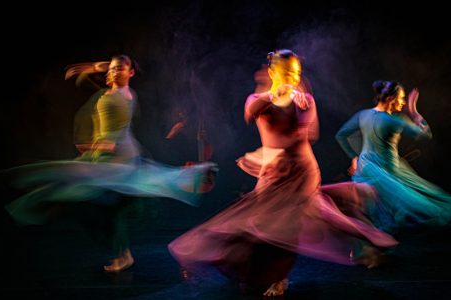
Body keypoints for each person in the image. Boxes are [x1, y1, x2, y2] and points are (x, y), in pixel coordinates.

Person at [168, 50, 397, 297]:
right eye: (287, 72)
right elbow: (251, 111)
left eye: (297, 73)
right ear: (272, 72)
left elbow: (307, 134)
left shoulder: (305, 99)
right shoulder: (255, 98)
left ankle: (280, 277)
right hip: (272, 174)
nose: (293, 78)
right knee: (256, 222)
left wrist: (296, 110)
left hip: (301, 171)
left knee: (290, 226)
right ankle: (219, 259)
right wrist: (273, 97)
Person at [4, 54, 216, 273]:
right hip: (104, 155)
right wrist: (95, 67)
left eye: (122, 69)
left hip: (120, 155)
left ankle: (29, 205)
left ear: (131, 73)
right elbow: (82, 82)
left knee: (74, 184)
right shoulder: (107, 93)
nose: (116, 71)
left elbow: (120, 129)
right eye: (114, 68)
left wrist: (105, 145)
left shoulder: (127, 96)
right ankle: (123, 252)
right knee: (107, 206)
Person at [335, 80, 451, 233]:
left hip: (365, 169)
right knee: (429, 209)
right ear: (391, 99)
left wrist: (354, 158)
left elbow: (341, 135)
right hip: (388, 173)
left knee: (381, 210)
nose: (403, 102)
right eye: (402, 98)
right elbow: (426, 135)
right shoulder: (395, 121)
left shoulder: (362, 115)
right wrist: (413, 110)